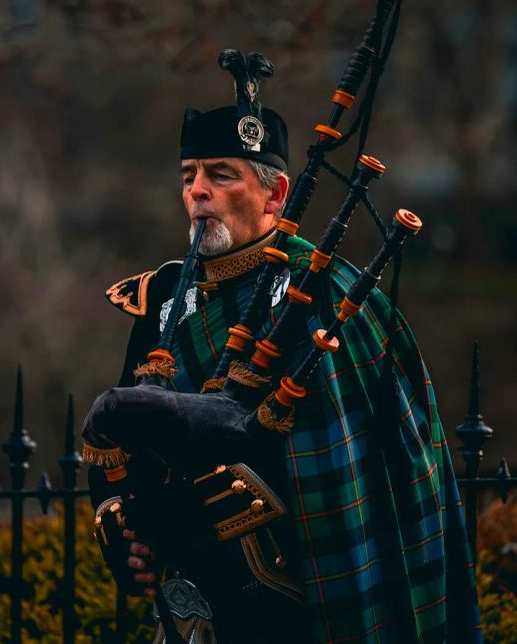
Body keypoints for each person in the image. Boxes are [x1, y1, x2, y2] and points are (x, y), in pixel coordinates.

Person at [85, 51, 482, 644]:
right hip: (194, 606)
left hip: (303, 595)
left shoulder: (328, 289)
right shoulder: (162, 297)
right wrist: (119, 520)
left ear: (276, 195)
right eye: (188, 175)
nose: (198, 192)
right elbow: (126, 458)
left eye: (221, 175)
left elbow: (349, 465)